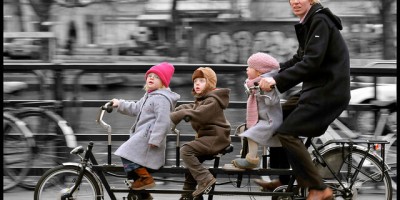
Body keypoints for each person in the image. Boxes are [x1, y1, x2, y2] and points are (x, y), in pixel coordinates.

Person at [258, 0, 351, 199]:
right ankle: (283, 179)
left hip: (327, 93)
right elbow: (299, 59)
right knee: (277, 116)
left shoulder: (320, 21)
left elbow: (311, 63)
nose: (296, 1)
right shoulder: (309, 22)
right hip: (316, 89)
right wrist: (268, 71)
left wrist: (275, 81)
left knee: (288, 133)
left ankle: (318, 187)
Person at [112, 62, 180, 200]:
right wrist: (120, 104)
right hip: (142, 137)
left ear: (163, 82)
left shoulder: (161, 99)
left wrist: (155, 139)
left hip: (148, 139)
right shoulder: (149, 96)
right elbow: (136, 108)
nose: (151, 78)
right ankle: (144, 195)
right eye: (150, 75)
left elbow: (164, 121)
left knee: (126, 152)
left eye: (156, 77)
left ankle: (145, 179)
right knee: (130, 169)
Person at [170, 67, 231, 199]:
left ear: (210, 83)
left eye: (202, 81)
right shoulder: (205, 99)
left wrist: (179, 114)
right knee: (192, 164)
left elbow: (200, 114)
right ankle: (188, 194)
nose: (197, 83)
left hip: (216, 138)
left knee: (186, 150)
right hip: (210, 137)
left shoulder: (213, 100)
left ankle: (205, 179)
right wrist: (180, 109)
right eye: (195, 81)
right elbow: (194, 107)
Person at [229, 52, 283, 169]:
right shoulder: (253, 84)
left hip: (270, 120)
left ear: (259, 71)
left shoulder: (267, 85)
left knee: (251, 133)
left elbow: (271, 102)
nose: (246, 69)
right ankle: (245, 152)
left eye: (250, 67)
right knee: (243, 129)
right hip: (262, 119)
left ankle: (252, 160)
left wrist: (264, 92)